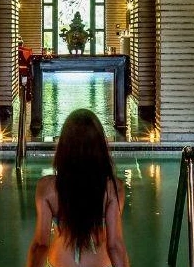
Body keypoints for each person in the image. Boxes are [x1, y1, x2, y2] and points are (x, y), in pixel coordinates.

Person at [27, 109, 129, 267]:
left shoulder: (47, 188)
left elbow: (41, 245)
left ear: (63, 147)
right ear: (100, 146)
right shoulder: (112, 189)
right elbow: (114, 246)